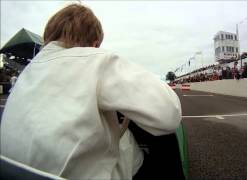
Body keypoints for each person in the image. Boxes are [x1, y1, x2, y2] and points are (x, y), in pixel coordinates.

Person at [0, 4, 182, 180]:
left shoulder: (29, 70)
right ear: (94, 44)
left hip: (14, 171)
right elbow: (169, 115)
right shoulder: (98, 61)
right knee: (165, 140)